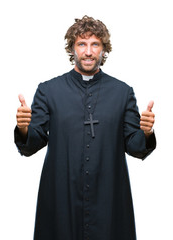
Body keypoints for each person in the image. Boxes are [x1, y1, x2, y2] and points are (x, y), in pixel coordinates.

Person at [15, 16, 156, 240]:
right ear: (72, 48)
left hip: (109, 197)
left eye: (95, 44)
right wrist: (23, 128)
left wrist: (146, 132)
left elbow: (135, 146)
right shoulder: (49, 90)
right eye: (82, 44)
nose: (88, 52)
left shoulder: (122, 92)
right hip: (61, 197)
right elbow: (32, 144)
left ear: (103, 49)